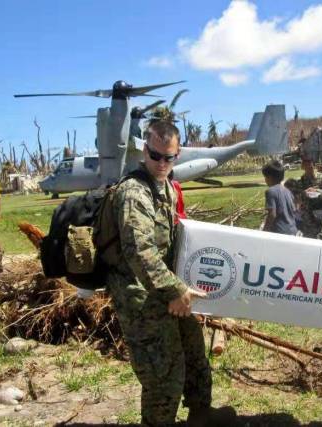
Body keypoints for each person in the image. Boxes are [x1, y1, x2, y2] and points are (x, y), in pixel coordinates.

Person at [106, 121, 233, 426]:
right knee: (163, 375)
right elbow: (140, 252)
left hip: (169, 288)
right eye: (156, 155)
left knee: (193, 355)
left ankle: (200, 414)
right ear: (144, 149)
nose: (162, 163)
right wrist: (175, 291)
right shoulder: (134, 193)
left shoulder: (166, 187)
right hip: (141, 298)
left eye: (170, 157)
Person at [262, 160, 298, 235]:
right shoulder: (288, 191)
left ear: (270, 177)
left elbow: (272, 215)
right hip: (293, 230)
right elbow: (294, 209)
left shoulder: (270, 191)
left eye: (265, 177)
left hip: (280, 232)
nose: (265, 179)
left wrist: (264, 231)